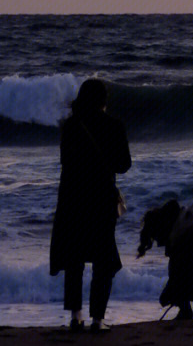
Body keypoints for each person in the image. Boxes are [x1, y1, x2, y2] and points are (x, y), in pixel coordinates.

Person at [49, 79, 131, 333]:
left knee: (74, 260)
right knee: (102, 261)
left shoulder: (71, 126)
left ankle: (75, 317)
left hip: (73, 200)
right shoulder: (114, 125)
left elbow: (65, 162)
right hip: (101, 200)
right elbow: (123, 165)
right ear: (103, 100)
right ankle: (98, 320)